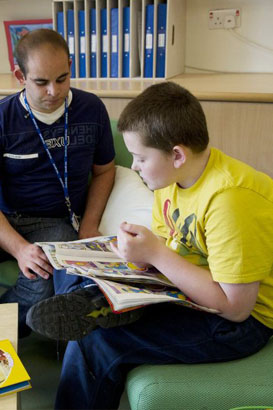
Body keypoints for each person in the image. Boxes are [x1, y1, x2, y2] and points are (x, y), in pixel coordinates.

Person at [26, 82, 273, 410]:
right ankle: (99, 299)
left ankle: (103, 306)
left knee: (98, 342)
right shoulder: (173, 182)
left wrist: (155, 253)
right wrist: (135, 256)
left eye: (141, 158)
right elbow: (168, 251)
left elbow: (236, 307)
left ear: (177, 154)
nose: (135, 167)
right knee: (69, 272)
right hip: (187, 294)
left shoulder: (230, 200)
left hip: (239, 324)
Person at [0, 29, 116, 337]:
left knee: (39, 287)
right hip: (4, 219)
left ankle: (9, 328)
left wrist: (89, 225)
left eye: (62, 79)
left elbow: (104, 171)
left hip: (52, 225)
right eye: (41, 82)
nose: (54, 91)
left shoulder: (91, 110)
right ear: (19, 76)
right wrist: (19, 248)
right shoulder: (2, 119)